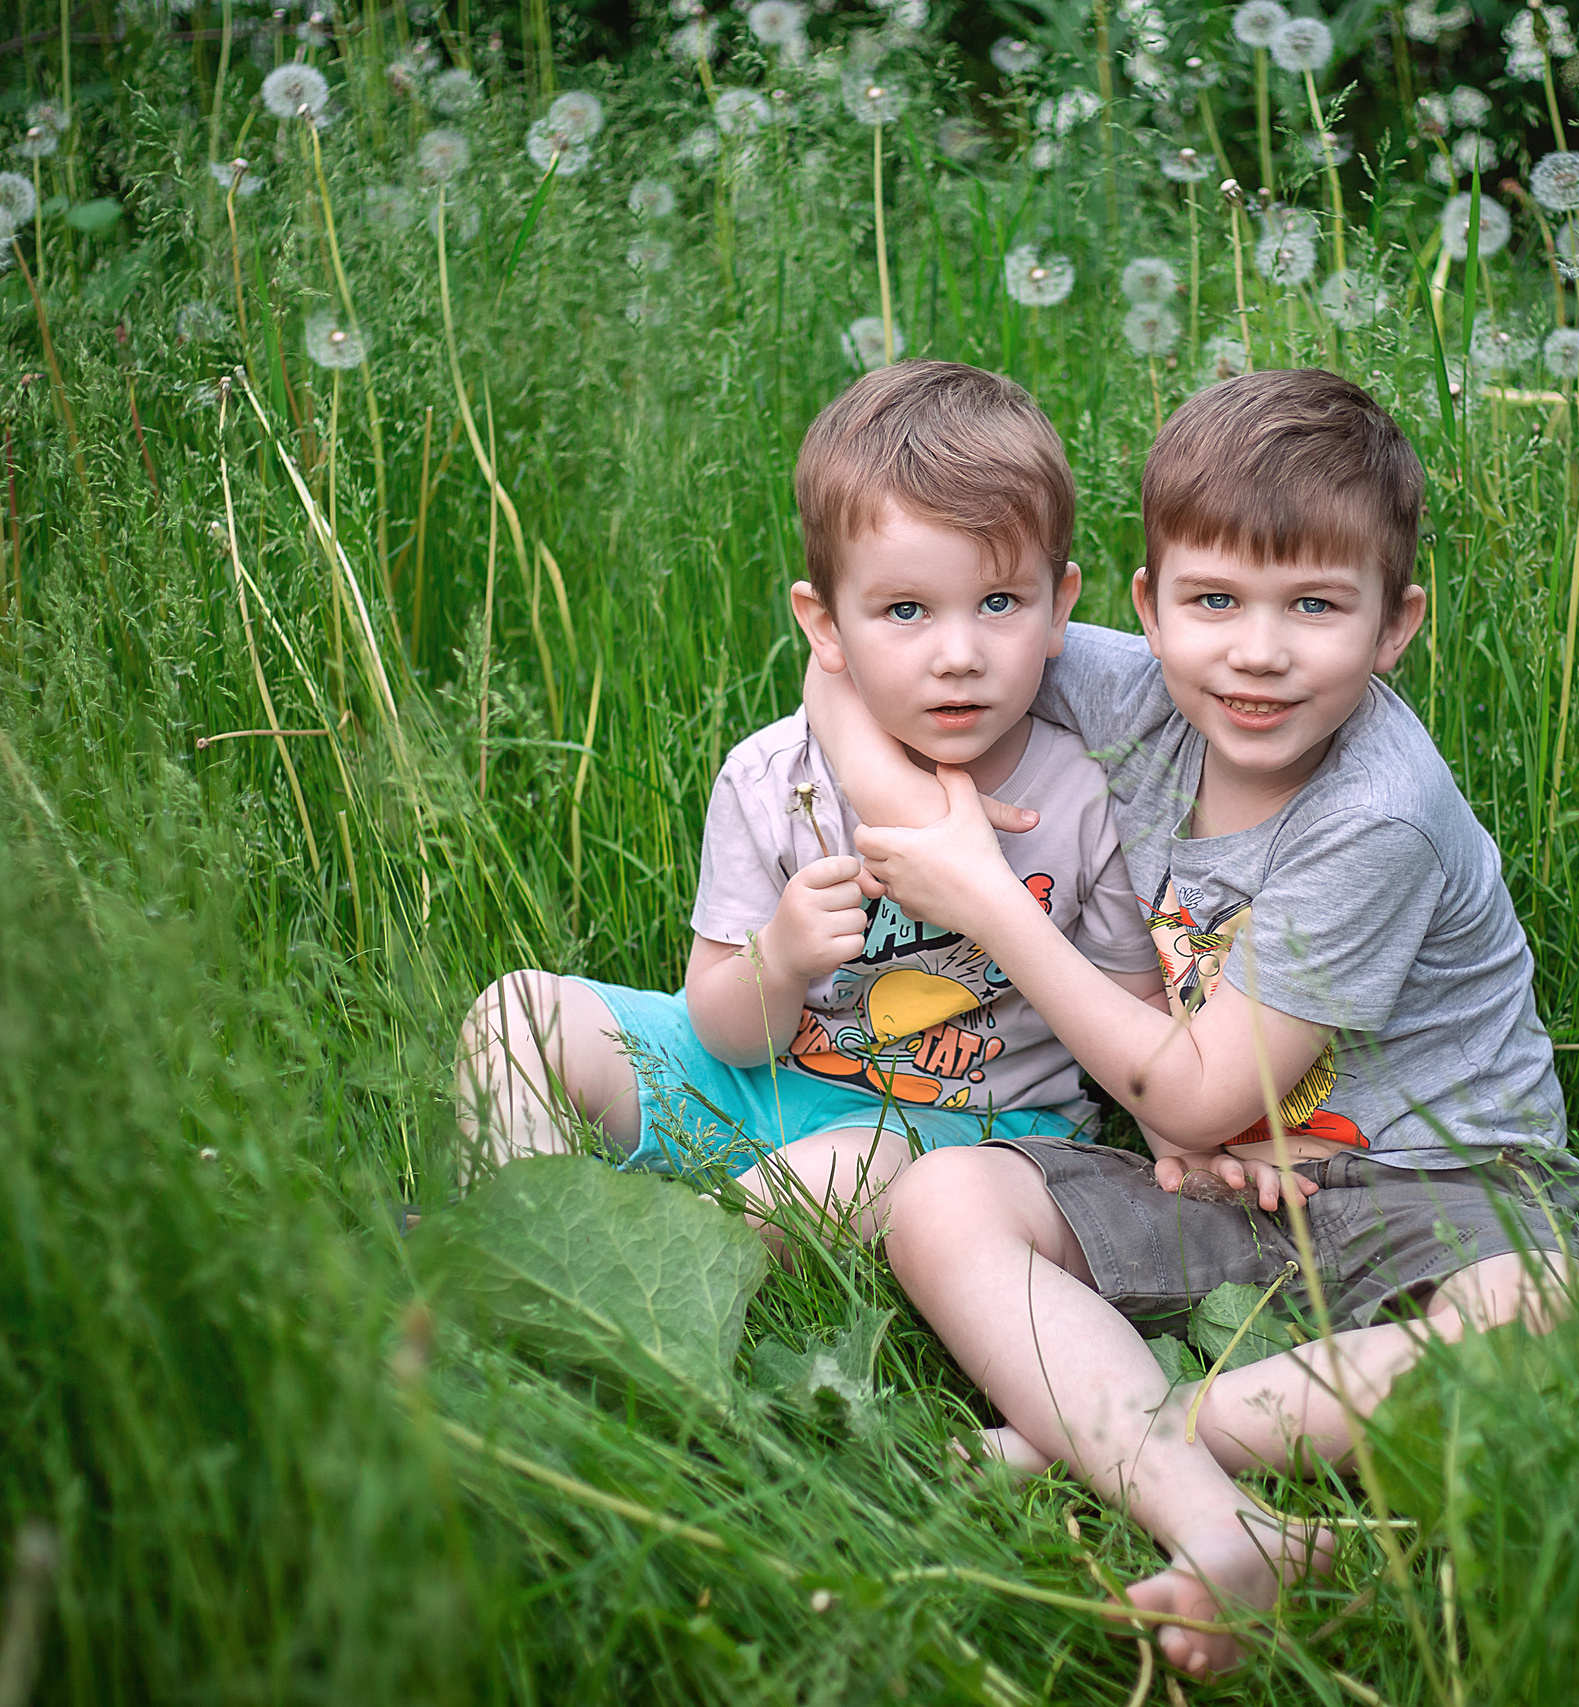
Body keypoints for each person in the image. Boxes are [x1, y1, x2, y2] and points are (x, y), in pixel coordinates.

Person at [807, 368, 1579, 1676]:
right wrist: (920, 822)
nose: (1256, 649)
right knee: (941, 1196)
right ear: (1145, 604)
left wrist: (994, 906)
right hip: (1219, 1180)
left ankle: (1127, 1425)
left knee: (1558, 1311)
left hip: (1435, 1183)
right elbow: (838, 665)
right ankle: (1223, 1511)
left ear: (1396, 624)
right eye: (1215, 599)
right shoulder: (1132, 694)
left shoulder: (1375, 814)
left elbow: (1187, 1091)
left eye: (1315, 606)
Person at [457, 361, 1158, 1246]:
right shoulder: (772, 778)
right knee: (521, 1013)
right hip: (757, 1083)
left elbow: (1133, 1029)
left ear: (1059, 608)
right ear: (825, 623)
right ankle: (507, 1236)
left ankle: (661, 1268)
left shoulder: (1080, 795)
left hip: (971, 1131)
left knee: (843, 1170)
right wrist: (780, 960)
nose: (957, 653)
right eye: (906, 609)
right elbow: (724, 1026)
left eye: (997, 602)